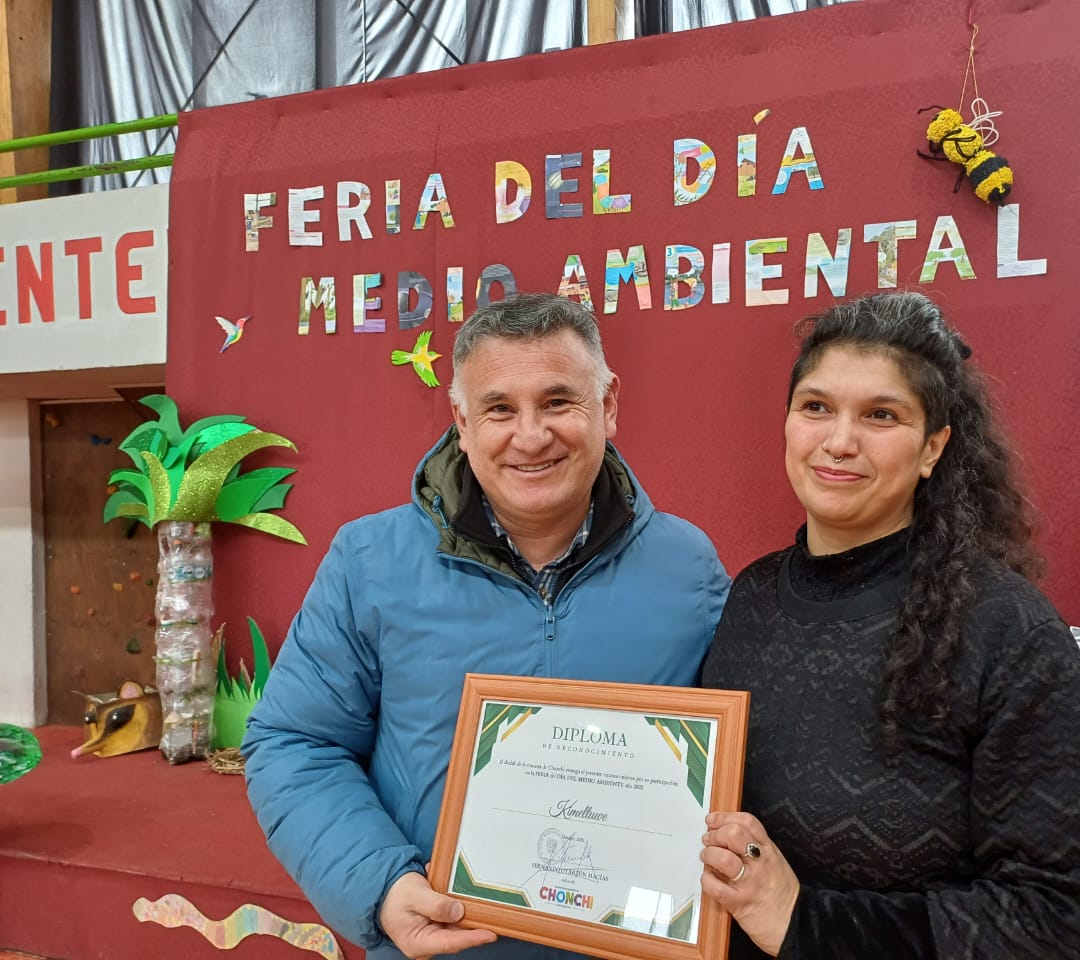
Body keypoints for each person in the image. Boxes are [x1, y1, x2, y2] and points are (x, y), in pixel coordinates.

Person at [242, 293, 730, 960]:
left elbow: (732, 763)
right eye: (500, 408)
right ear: (463, 421)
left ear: (608, 405)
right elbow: (294, 741)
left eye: (558, 401)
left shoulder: (689, 569)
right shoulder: (368, 562)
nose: (530, 436)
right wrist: (380, 884)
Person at [698, 292, 1080, 959]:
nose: (839, 441)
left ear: (933, 447)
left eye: (881, 415)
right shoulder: (750, 596)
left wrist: (804, 920)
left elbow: (1072, 922)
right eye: (816, 407)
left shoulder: (1008, 632)